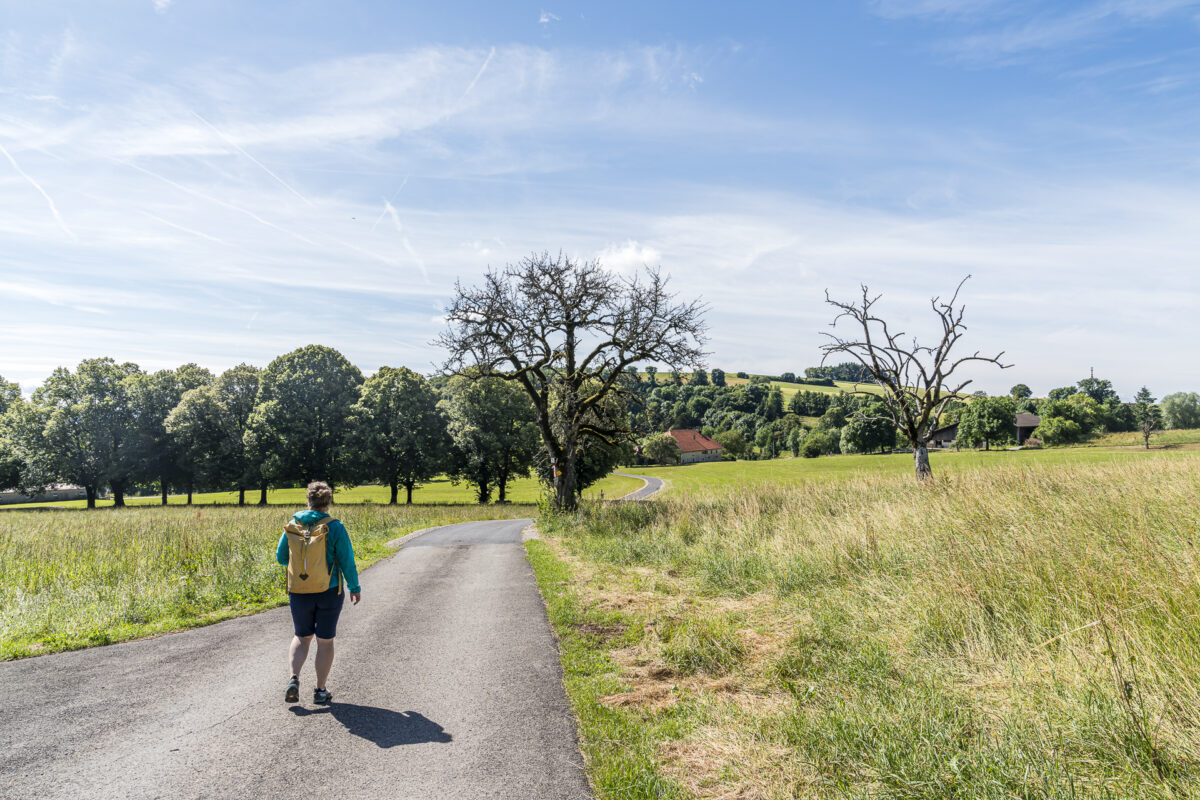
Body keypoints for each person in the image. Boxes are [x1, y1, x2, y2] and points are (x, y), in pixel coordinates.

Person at [276, 481, 361, 705]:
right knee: (325, 641)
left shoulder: (293, 524)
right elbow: (347, 561)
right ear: (328, 502)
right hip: (329, 591)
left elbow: (281, 557)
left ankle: (293, 678)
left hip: (299, 591)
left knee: (301, 637)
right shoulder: (335, 527)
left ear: (308, 500)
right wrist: (355, 587)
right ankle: (320, 690)